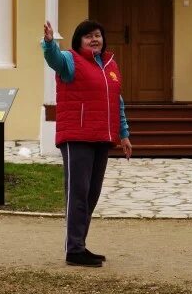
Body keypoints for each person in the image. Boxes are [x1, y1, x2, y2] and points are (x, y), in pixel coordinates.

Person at [42, 19, 133, 268]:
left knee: (91, 193)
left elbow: (117, 102)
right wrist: (49, 43)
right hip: (77, 136)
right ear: (78, 41)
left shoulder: (110, 66)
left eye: (98, 35)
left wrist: (123, 134)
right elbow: (54, 61)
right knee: (78, 193)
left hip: (102, 137)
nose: (94, 39)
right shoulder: (70, 61)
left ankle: (80, 245)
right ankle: (74, 249)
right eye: (88, 36)